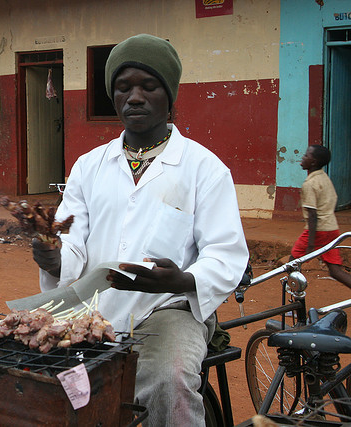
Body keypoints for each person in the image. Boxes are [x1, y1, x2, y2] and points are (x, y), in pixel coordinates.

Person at [31, 34, 249, 426]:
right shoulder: (89, 166)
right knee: (51, 379)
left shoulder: (204, 169)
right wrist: (55, 258)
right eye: (123, 88)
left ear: (169, 96)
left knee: (169, 380)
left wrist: (183, 280)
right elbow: (71, 236)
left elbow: (225, 251)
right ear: (113, 97)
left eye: (149, 86)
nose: (134, 97)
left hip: (167, 308)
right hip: (94, 307)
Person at [290, 145, 351, 288]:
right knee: (335, 271)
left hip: (318, 230)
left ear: (313, 162)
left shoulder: (310, 183)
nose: (303, 157)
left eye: (306, 155)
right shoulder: (324, 178)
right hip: (331, 229)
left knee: (292, 263)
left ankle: (296, 295)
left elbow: (313, 215)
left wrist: (311, 244)